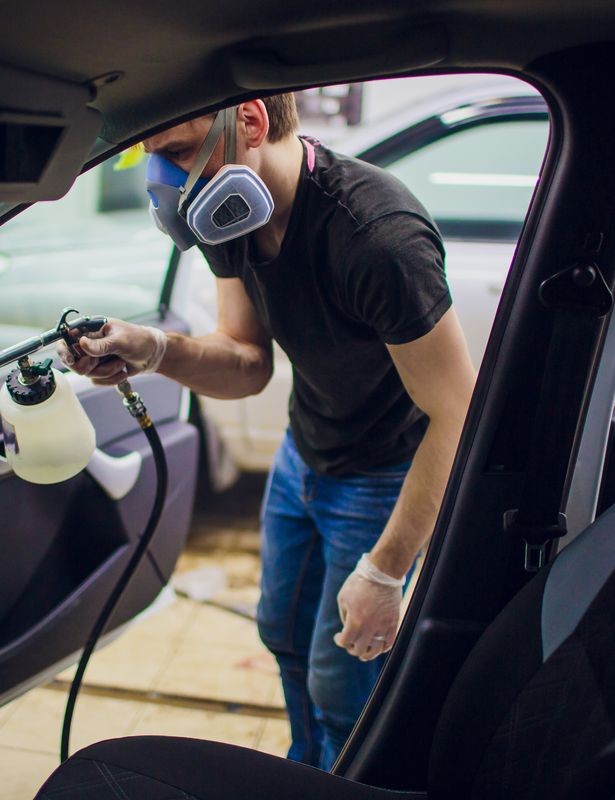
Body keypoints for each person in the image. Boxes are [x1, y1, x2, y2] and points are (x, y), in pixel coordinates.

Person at [62, 94, 475, 770]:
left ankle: (357, 778)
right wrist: (153, 349)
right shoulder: (230, 217)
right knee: (282, 635)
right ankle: (304, 772)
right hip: (303, 453)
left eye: (176, 153)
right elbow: (246, 361)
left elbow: (456, 412)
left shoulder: (375, 236)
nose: (163, 181)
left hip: (383, 476)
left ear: (249, 123)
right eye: (153, 159)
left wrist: (386, 569)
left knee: (344, 681)